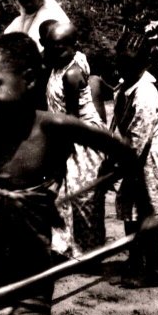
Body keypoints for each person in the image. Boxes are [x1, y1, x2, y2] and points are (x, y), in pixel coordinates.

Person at [0, 33, 139, 315]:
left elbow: (125, 152)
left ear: (28, 80)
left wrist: (145, 212)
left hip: (32, 265)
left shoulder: (54, 128)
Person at [106, 30, 158, 287]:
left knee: (146, 215)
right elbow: (118, 126)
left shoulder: (146, 93)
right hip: (132, 158)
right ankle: (134, 259)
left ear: (144, 64)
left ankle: (151, 268)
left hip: (150, 162)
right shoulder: (124, 86)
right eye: (120, 63)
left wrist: (117, 164)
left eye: (130, 65)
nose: (123, 69)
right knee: (130, 214)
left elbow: (138, 137)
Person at [40, 19, 108, 256]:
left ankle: (89, 251)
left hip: (81, 137)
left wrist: (60, 150)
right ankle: (68, 247)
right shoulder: (58, 64)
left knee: (83, 196)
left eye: (61, 46)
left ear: (73, 46)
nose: (55, 51)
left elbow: (72, 118)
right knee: (66, 194)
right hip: (68, 133)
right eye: (50, 46)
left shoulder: (71, 73)